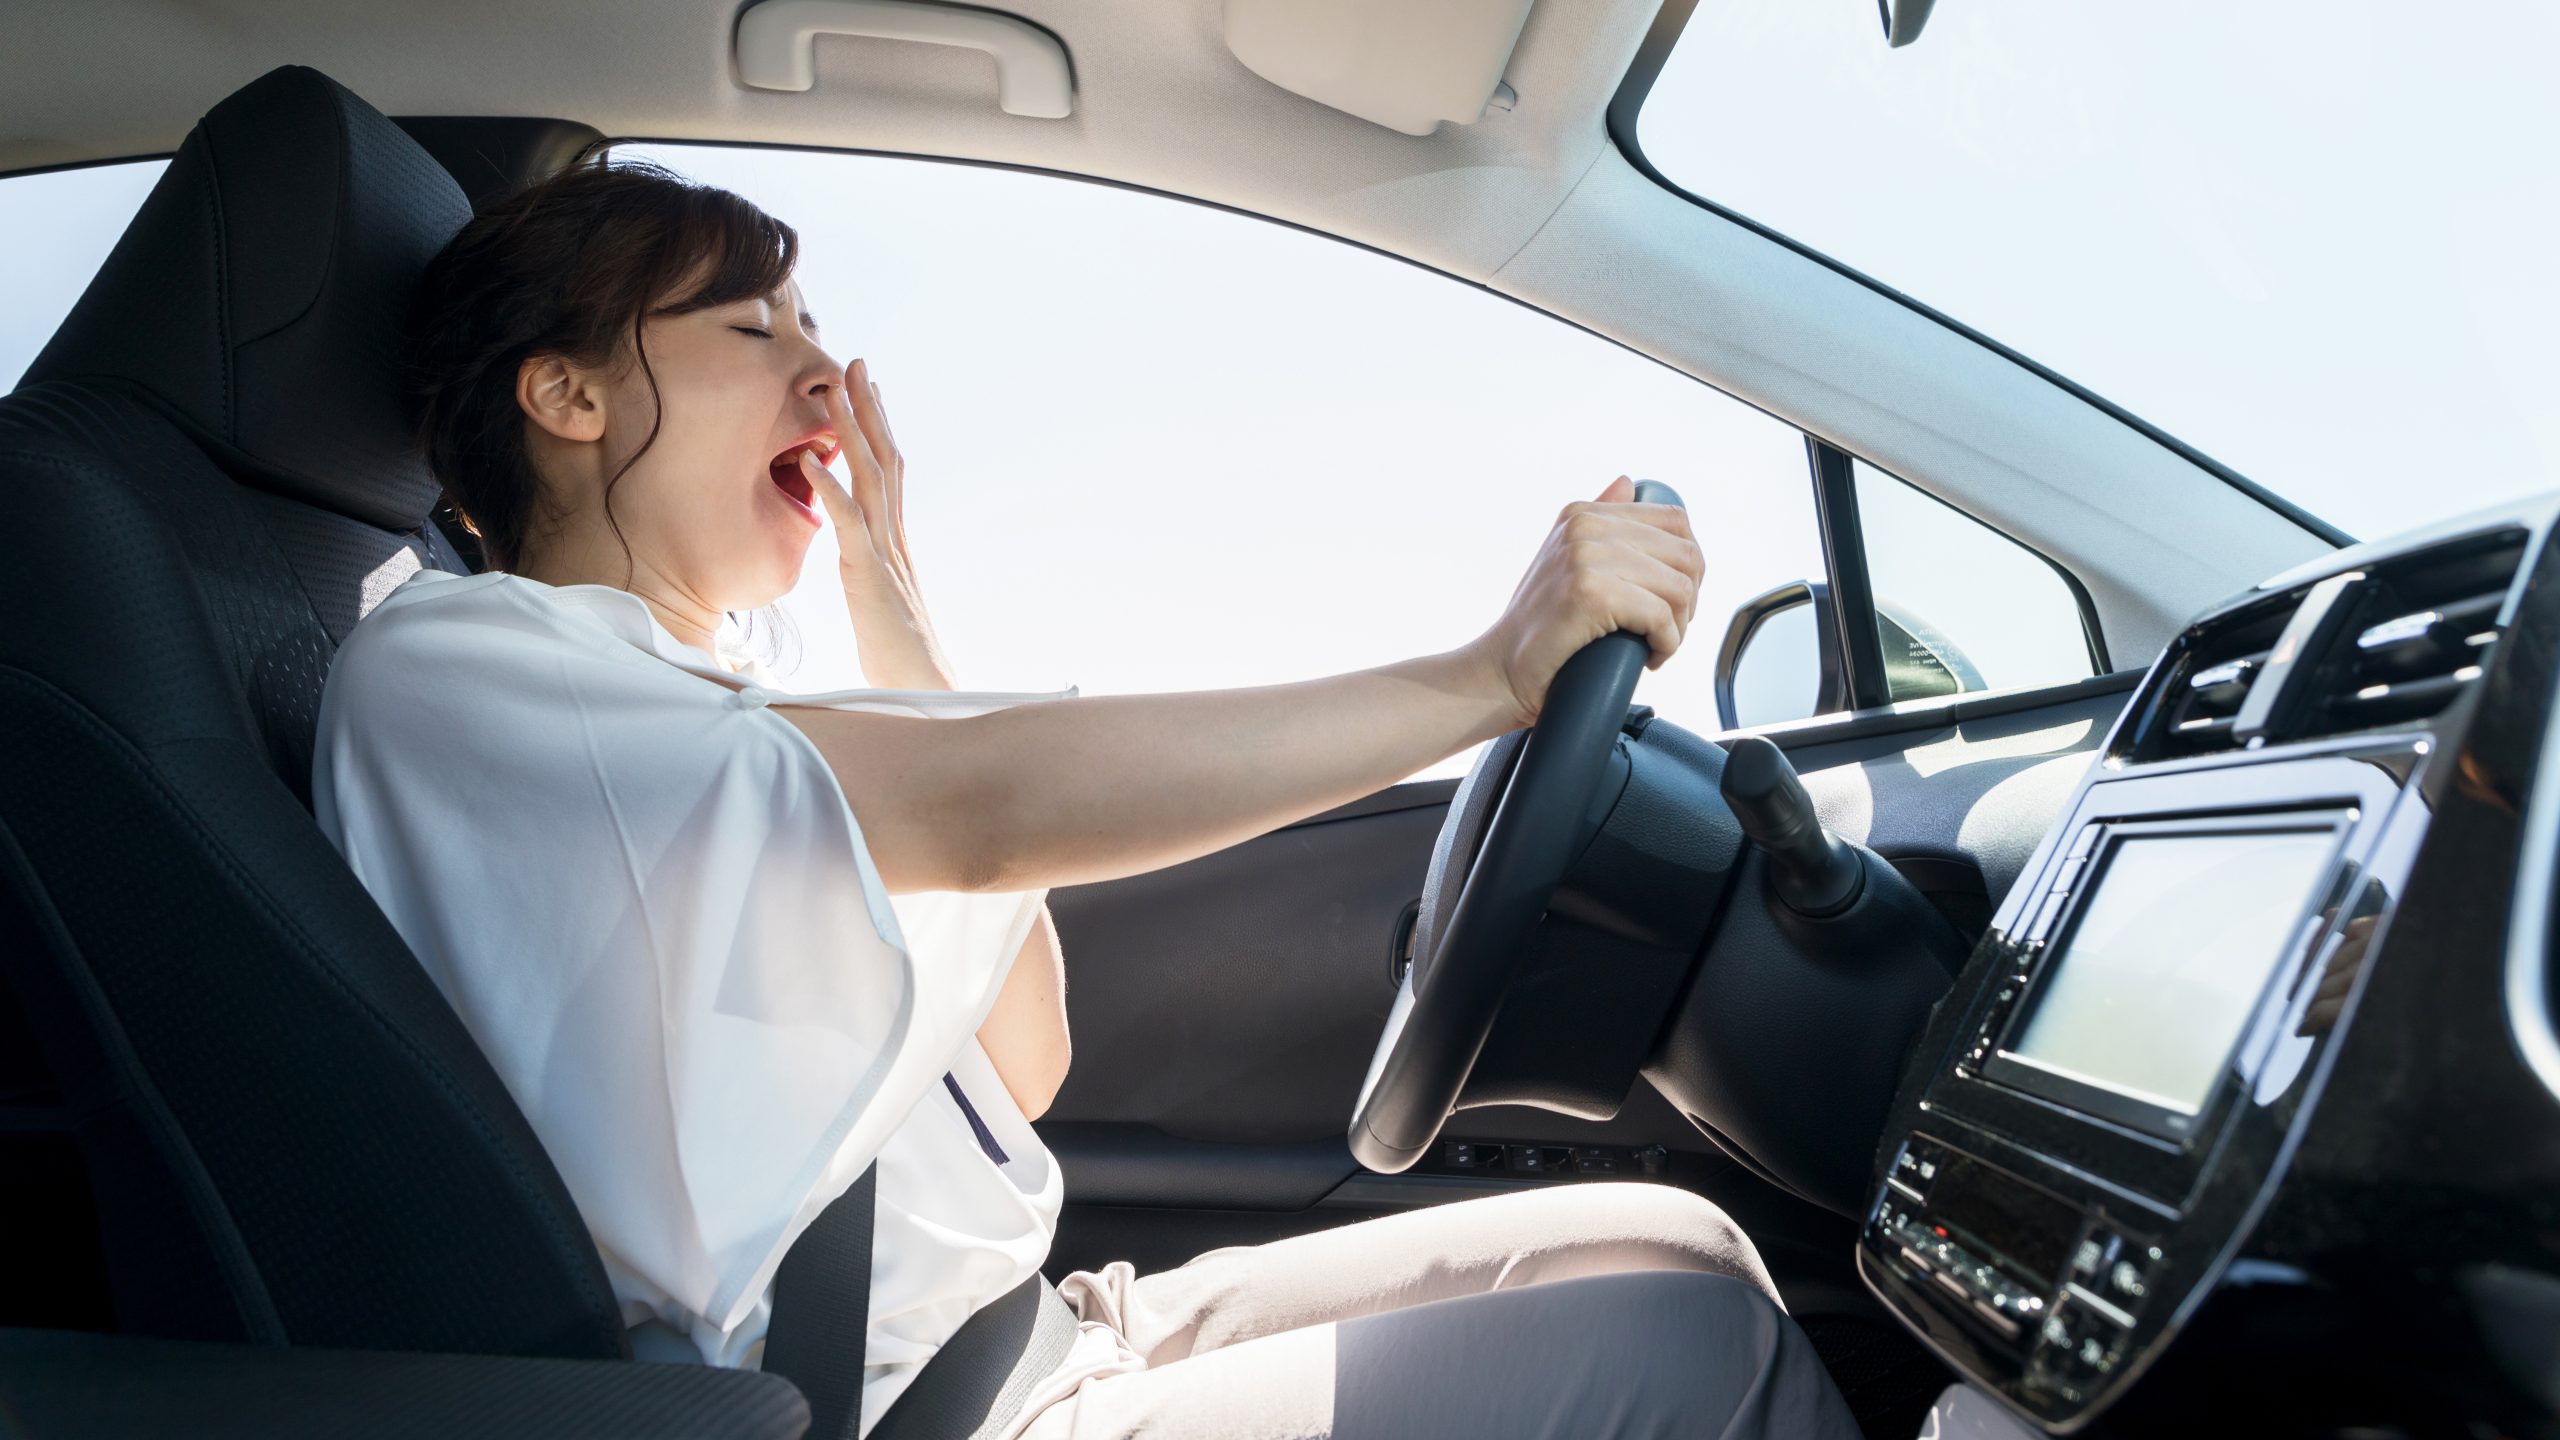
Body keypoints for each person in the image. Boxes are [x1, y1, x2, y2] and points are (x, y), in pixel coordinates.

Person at [313, 153, 1859, 1439]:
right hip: (912, 1409)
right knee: (1701, 1365)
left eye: (815, 321)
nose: (830, 380)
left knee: (1688, 1248)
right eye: (750, 328)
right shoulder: (466, 665)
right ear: (569, 396)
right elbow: (985, 805)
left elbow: (1027, 1053)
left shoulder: (722, 704)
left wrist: (888, 593)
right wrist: (1485, 676)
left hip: (1034, 1338)